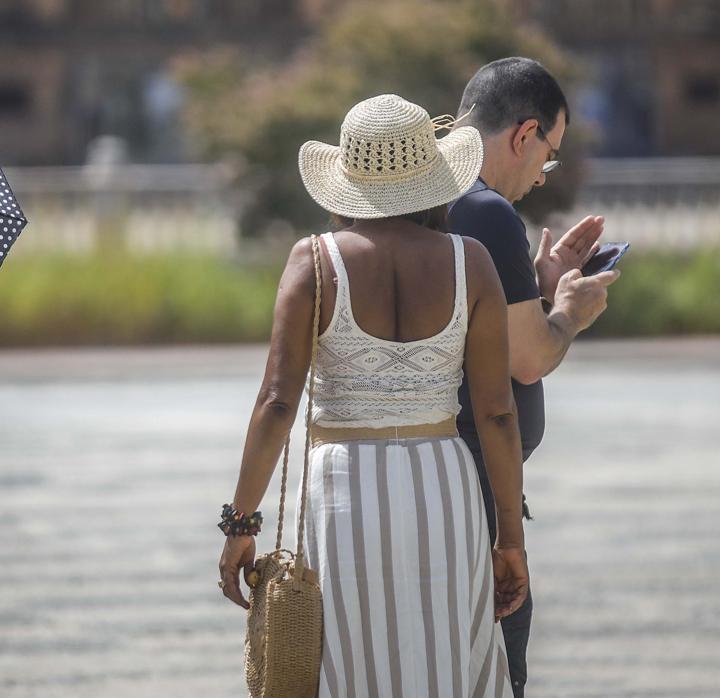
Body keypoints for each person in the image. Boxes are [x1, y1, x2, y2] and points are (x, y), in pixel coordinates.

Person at [218, 94, 529, 697]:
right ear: (434, 178)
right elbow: (496, 413)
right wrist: (510, 539)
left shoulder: (315, 261)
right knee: (442, 663)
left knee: (345, 664)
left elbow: (277, 403)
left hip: (343, 486)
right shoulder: (473, 262)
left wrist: (240, 523)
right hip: (443, 484)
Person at [450, 57, 620, 698]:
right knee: (495, 674)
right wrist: (570, 314)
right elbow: (524, 360)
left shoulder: (417, 197)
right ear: (524, 135)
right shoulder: (487, 211)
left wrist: (540, 288)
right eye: (548, 156)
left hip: (410, 479)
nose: (541, 174)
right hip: (475, 489)